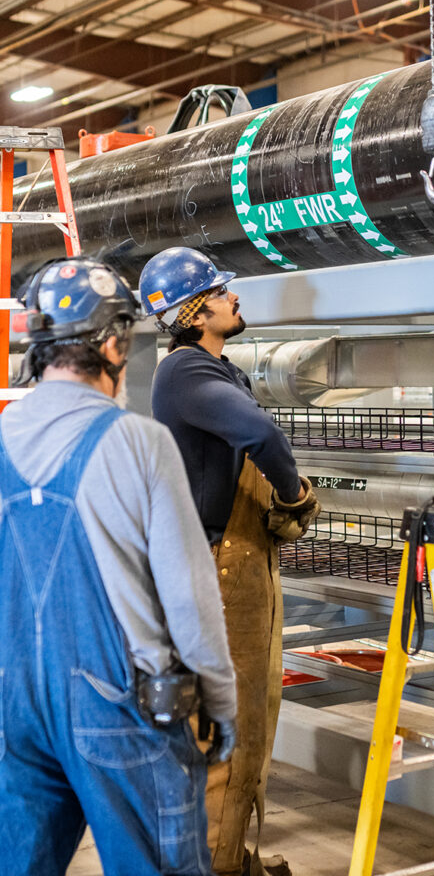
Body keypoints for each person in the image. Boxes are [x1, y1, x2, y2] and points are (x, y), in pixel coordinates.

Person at [0, 256, 237, 876]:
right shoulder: (139, 442)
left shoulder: (1, 439)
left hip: (16, 707)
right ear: (111, 342)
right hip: (122, 704)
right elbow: (189, 594)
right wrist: (221, 699)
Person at [138, 247, 320, 876]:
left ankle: (230, 856)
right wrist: (296, 495)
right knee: (231, 725)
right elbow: (263, 437)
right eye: (220, 290)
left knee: (248, 717)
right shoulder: (187, 372)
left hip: (236, 563)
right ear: (194, 310)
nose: (233, 296)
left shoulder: (216, 370)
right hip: (219, 567)